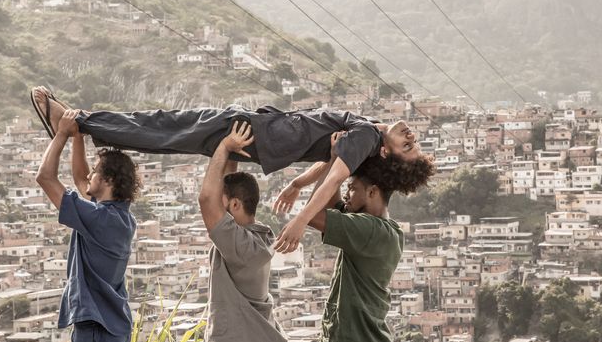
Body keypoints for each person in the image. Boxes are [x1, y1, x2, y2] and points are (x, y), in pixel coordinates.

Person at [30, 86, 432, 251]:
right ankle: (80, 124)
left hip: (252, 131)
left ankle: (78, 120)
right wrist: (295, 183)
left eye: (408, 146)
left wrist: (298, 221)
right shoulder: (362, 138)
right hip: (260, 136)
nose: (409, 134)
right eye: (414, 140)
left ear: (387, 154)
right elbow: (329, 167)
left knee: (164, 127)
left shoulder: (365, 136)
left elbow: (333, 181)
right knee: (167, 133)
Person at [299, 133, 428, 342]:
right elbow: (329, 204)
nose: (347, 194)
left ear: (372, 192)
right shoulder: (385, 229)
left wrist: (334, 162)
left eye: (352, 188)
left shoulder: (370, 230)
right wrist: (334, 162)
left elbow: (312, 213)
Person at [35, 99, 139, 342]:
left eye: (96, 170)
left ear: (108, 180)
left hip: (96, 328)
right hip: (111, 326)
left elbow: (45, 177)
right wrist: (77, 135)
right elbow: (83, 183)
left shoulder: (100, 219)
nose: (90, 174)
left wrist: (61, 134)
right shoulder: (121, 217)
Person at [198, 121, 287, 342]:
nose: (217, 209)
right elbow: (223, 187)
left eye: (223, 202)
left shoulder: (242, 247)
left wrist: (225, 146)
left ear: (235, 205)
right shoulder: (258, 237)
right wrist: (233, 153)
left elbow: (206, 199)